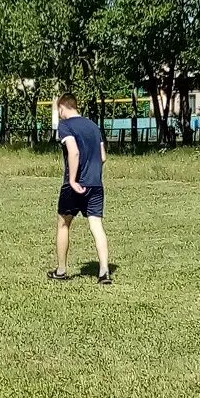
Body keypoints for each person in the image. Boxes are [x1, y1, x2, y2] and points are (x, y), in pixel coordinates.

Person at [48, 93, 112, 284]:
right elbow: (102, 157)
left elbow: (73, 151)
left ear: (62, 108)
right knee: (97, 226)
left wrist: (74, 180)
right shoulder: (93, 126)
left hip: (74, 185)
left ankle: (61, 270)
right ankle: (104, 272)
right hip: (95, 184)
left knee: (63, 224)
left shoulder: (65, 126)